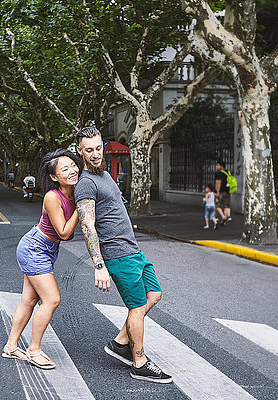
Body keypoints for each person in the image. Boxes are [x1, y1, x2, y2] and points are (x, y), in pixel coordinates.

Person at [74, 126, 172, 384]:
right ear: (80, 152)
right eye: (89, 150)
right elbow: (87, 225)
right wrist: (99, 265)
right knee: (137, 307)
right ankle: (139, 362)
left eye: (98, 148)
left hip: (133, 250)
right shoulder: (85, 184)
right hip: (118, 255)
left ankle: (120, 342)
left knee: (154, 294)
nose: (95, 154)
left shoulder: (104, 174)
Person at [2, 149, 81, 370]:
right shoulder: (52, 197)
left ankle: (10, 346)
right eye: (64, 169)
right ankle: (34, 350)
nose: (72, 170)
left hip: (46, 249)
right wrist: (82, 207)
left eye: (73, 165)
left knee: (28, 300)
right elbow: (64, 232)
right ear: (54, 176)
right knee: (52, 299)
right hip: (35, 248)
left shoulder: (75, 192)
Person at [214, 160, 231, 225]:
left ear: (221, 166)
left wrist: (217, 191)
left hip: (221, 191)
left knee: (217, 205)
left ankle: (223, 217)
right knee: (226, 206)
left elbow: (218, 182)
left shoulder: (218, 173)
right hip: (228, 191)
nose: (216, 166)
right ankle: (224, 222)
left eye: (217, 165)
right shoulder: (228, 172)